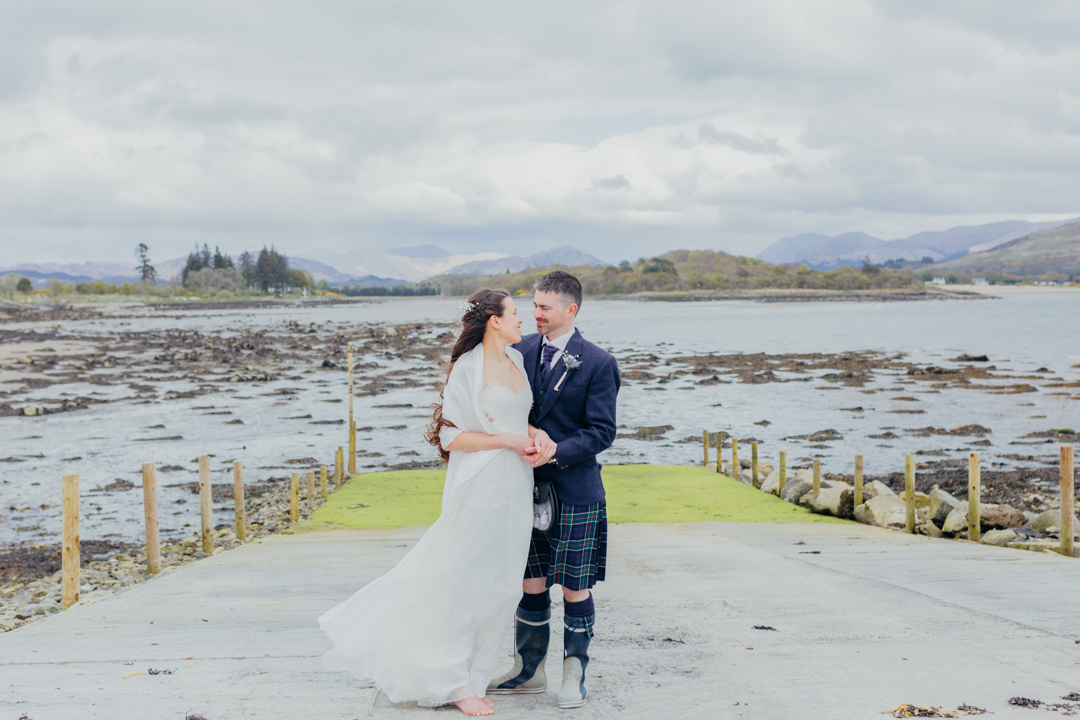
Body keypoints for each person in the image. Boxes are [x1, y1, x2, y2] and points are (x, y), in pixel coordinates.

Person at [318, 288, 557, 717]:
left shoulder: (518, 360)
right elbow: (452, 436)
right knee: (467, 579)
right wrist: (508, 440)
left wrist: (535, 434)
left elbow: (519, 418)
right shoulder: (468, 367)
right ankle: (453, 681)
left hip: (516, 484)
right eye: (516, 313)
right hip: (481, 483)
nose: (523, 320)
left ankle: (473, 673)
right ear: (494, 321)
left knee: (503, 585)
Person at [488, 270, 620, 709]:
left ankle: (573, 677)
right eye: (535, 306)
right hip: (523, 484)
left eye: (545, 307)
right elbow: (502, 407)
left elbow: (602, 431)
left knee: (575, 588)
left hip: (576, 488)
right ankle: (529, 671)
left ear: (571, 310)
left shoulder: (598, 362)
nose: (536, 314)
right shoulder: (517, 351)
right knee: (529, 582)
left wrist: (556, 451)